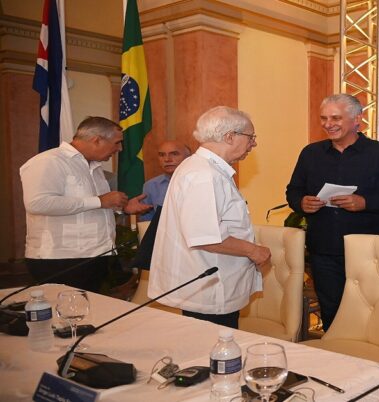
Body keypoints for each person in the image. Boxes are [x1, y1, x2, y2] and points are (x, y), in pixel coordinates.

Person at [286, 94, 379, 331]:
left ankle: (372, 364)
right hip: (324, 252)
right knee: (332, 313)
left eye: (336, 117)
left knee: (372, 312)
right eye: (324, 118)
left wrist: (365, 203)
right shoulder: (311, 154)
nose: (328, 124)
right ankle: (336, 363)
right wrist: (301, 203)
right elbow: (293, 191)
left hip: (370, 252)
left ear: (358, 119)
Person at [148, 106, 271, 328]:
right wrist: (254, 251)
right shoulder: (204, 174)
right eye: (251, 137)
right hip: (211, 290)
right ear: (230, 136)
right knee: (215, 357)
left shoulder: (203, 168)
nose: (254, 144)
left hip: (213, 286)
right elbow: (206, 237)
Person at [20, 116, 152, 292]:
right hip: (59, 258)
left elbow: (92, 208)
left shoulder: (94, 168)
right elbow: (37, 203)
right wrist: (99, 200)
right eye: (117, 143)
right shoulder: (49, 161)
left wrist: (124, 208)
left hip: (94, 255)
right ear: (96, 140)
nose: (119, 149)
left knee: (88, 314)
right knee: (66, 315)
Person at [132, 140, 191, 222]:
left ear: (188, 158)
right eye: (162, 155)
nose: (167, 159)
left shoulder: (201, 182)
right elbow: (147, 223)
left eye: (174, 154)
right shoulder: (151, 186)